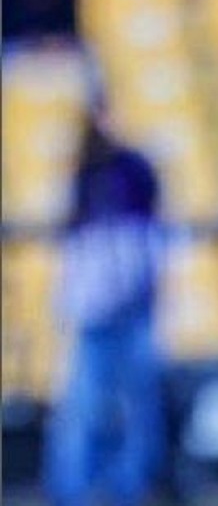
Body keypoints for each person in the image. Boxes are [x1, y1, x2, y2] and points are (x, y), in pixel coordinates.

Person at [45, 96, 167, 506]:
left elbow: (151, 234)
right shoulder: (83, 173)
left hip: (134, 306)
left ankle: (132, 487)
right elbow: (75, 245)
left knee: (138, 403)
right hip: (93, 310)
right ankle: (73, 490)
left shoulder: (135, 168)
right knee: (83, 404)